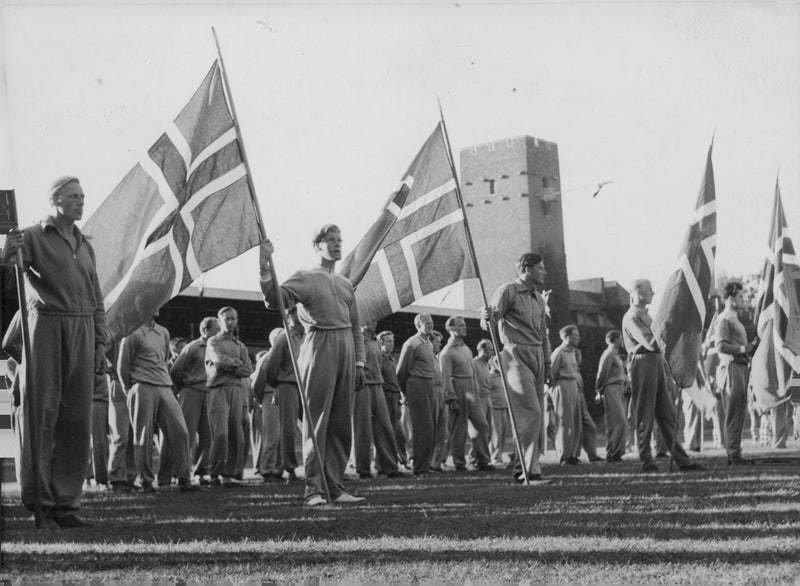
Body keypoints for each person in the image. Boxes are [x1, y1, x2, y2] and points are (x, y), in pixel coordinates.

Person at [0, 176, 106, 529]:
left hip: (83, 328)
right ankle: (40, 501)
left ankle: (67, 504)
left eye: (82, 196)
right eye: (73, 196)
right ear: (55, 200)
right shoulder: (31, 235)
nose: (80, 201)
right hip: (45, 325)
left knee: (76, 420)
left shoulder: (85, 244)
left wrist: (100, 342)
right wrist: (6, 252)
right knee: (39, 415)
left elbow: (97, 299)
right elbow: (9, 279)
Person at [259, 225, 366, 506]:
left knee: (341, 422)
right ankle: (314, 489)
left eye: (340, 240)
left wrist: (359, 362)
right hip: (319, 345)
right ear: (317, 246)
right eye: (331, 240)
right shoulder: (304, 277)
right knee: (318, 419)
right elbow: (276, 301)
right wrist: (264, 268)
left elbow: (356, 326)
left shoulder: (345, 283)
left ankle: (336, 485)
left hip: (346, 346)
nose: (337, 244)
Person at [481, 253, 550, 482]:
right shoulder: (507, 290)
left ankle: (526, 466)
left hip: (537, 355)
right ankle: (528, 471)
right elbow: (488, 322)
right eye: (540, 268)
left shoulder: (539, 299)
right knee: (530, 413)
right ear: (527, 269)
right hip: (514, 354)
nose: (544, 272)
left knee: (536, 416)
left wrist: (547, 362)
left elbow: (543, 334)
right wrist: (486, 317)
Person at [621, 279, 703, 473]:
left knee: (668, 415)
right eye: (649, 290)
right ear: (636, 292)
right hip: (643, 362)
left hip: (656, 362)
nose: (653, 293)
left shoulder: (646, 315)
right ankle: (646, 460)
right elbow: (651, 342)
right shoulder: (632, 317)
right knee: (644, 415)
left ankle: (683, 461)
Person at [117, 312, 201, 493]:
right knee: (144, 435)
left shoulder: (163, 332)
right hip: (142, 385)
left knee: (181, 431)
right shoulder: (133, 333)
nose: (156, 307)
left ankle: (184, 479)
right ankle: (146, 481)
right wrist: (129, 389)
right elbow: (122, 366)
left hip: (164, 384)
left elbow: (163, 360)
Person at [205, 306, 253, 486]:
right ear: (220, 321)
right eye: (227, 319)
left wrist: (231, 365)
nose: (231, 322)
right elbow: (218, 360)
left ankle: (229, 475)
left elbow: (248, 368)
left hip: (237, 390)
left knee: (236, 433)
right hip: (218, 388)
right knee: (221, 434)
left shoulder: (240, 345)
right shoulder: (213, 342)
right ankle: (215, 473)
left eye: (234, 318)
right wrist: (236, 364)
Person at [169, 316, 219, 484]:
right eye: (216, 329)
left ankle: (202, 471)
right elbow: (176, 370)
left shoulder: (217, 347)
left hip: (210, 392)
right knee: (187, 434)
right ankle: (181, 473)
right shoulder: (193, 347)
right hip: (191, 391)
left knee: (208, 434)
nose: (219, 332)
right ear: (205, 330)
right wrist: (185, 386)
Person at [440, 315, 493, 472]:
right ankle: (459, 463)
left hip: (471, 391)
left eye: (464, 325)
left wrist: (475, 392)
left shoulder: (466, 349)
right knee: (459, 429)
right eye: (460, 325)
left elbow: (472, 373)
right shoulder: (446, 353)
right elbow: (445, 378)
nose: (464, 327)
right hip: (458, 390)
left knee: (482, 425)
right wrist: (451, 398)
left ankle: (481, 459)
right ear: (451, 329)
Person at [353, 322, 402, 478]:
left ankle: (389, 467)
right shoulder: (357, 338)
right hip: (363, 386)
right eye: (371, 319)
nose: (374, 323)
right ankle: (363, 469)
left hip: (378, 385)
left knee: (385, 427)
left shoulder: (375, 342)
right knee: (363, 429)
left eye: (375, 320)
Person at [261, 308, 305, 482]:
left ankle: (316, 465)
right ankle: (290, 469)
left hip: (306, 385)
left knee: (313, 427)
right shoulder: (284, 337)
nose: (298, 317)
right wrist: (276, 386)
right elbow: (270, 367)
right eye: (293, 313)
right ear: (288, 317)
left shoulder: (308, 335)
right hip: (287, 385)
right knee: (288, 429)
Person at [714, 282, 754, 465]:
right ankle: (732, 452)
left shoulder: (734, 318)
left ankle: (735, 451)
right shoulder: (724, 318)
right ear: (730, 299)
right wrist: (743, 348)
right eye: (739, 296)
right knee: (732, 411)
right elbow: (720, 345)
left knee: (738, 411)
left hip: (740, 366)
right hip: (731, 366)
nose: (742, 298)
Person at [396, 313, 438, 475]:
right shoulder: (412, 343)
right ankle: (419, 468)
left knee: (429, 427)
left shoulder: (428, 343)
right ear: (418, 325)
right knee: (423, 427)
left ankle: (424, 466)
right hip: (416, 383)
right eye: (426, 323)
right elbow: (401, 371)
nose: (430, 325)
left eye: (431, 323)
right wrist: (404, 392)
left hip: (428, 383)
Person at [252, 331, 284, 482]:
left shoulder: (289, 355)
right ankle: (267, 469)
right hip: (270, 395)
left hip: (285, 395)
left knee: (283, 435)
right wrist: (263, 398)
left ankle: (279, 468)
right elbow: (257, 383)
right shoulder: (266, 358)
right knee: (271, 435)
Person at [550, 325, 583, 465]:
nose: (578, 338)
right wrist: (553, 391)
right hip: (562, 385)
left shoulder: (572, 352)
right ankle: (564, 456)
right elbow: (551, 373)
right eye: (575, 336)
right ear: (567, 337)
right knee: (564, 422)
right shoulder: (559, 352)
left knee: (576, 422)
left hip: (573, 385)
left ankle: (573, 454)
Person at [595, 330, 628, 463]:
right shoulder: (608, 354)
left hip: (619, 388)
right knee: (618, 421)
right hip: (611, 387)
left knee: (618, 422)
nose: (622, 341)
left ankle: (616, 453)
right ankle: (612, 453)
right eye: (620, 338)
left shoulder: (615, 354)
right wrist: (599, 391)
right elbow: (602, 373)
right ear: (614, 340)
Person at [378, 330, 408, 468]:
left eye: (392, 341)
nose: (391, 344)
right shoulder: (379, 359)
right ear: (381, 343)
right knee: (384, 433)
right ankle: (382, 465)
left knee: (400, 435)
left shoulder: (392, 359)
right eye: (388, 341)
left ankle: (402, 461)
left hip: (395, 398)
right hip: (384, 396)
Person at [429, 330, 453, 472]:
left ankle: (436, 462)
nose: (439, 344)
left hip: (441, 393)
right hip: (432, 392)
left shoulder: (437, 358)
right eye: (437, 342)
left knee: (443, 431)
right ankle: (430, 461)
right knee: (432, 429)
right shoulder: (428, 357)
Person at [472, 339, 496, 466]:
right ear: (481, 349)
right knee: (482, 428)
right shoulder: (474, 363)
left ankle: (478, 457)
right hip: (478, 398)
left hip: (487, 397)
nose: (492, 351)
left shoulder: (487, 364)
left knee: (488, 430)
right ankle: (480, 459)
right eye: (490, 349)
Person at [488, 356, 510, 467]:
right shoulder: (490, 376)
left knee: (502, 433)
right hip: (494, 407)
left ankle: (499, 457)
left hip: (503, 407)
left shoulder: (503, 376)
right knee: (495, 434)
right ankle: (495, 458)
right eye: (497, 362)